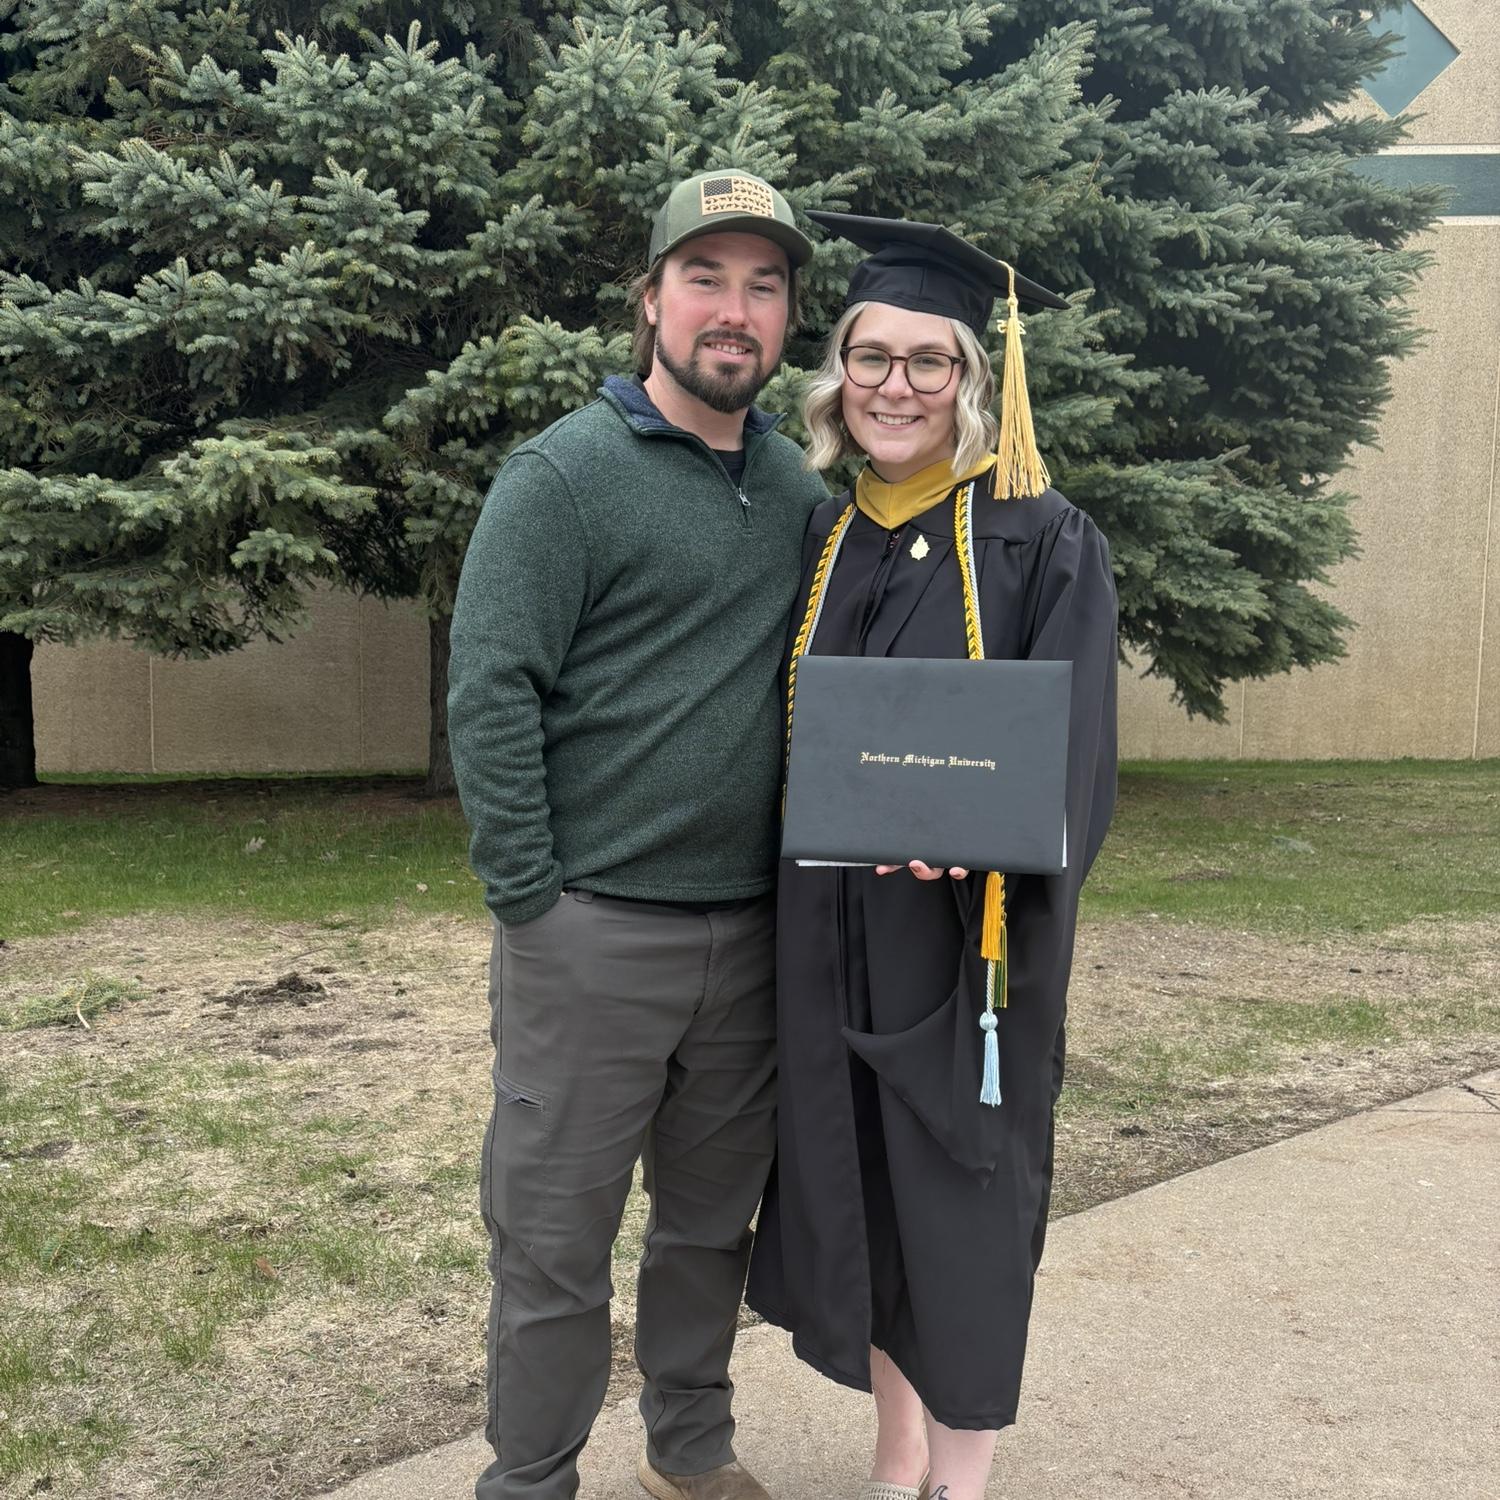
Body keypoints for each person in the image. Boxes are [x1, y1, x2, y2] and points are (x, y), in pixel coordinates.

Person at [447, 171, 828, 1500]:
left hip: (753, 936)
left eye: (764, 286)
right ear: (651, 301)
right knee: (553, 1242)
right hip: (592, 935)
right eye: (707, 279)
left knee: (709, 1229)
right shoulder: (563, 478)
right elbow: (489, 692)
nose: (735, 310)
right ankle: (530, 1480)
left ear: (786, 321)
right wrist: (531, 900)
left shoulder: (793, 489)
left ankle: (691, 1448)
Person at [744, 214, 1118, 1500]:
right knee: (863, 1188)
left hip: (970, 954)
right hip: (827, 938)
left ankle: (963, 1477)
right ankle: (897, 1459)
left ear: (972, 379)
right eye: (869, 357)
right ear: (835, 373)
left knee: (958, 1200)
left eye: (927, 362)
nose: (893, 386)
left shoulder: (1040, 536)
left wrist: (980, 845)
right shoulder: (828, 534)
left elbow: (1072, 753)